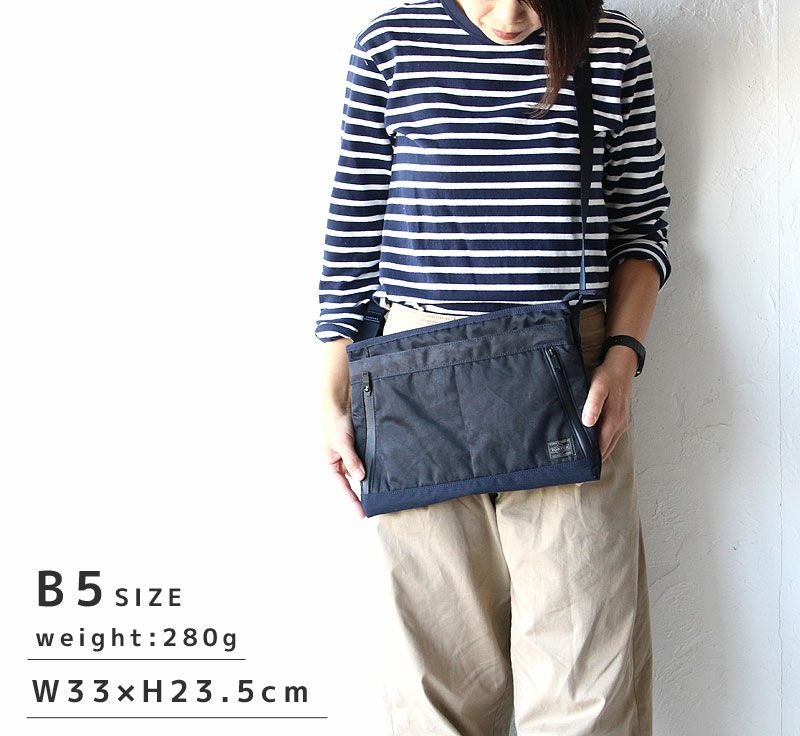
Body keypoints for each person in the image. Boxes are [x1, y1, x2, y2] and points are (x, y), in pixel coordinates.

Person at [316, 1, 671, 734]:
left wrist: (622, 359)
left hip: (572, 378)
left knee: (587, 680)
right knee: (434, 680)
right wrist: (330, 400)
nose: (511, 13)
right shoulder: (392, 46)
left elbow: (641, 229)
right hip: (415, 377)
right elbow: (351, 238)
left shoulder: (611, 46)